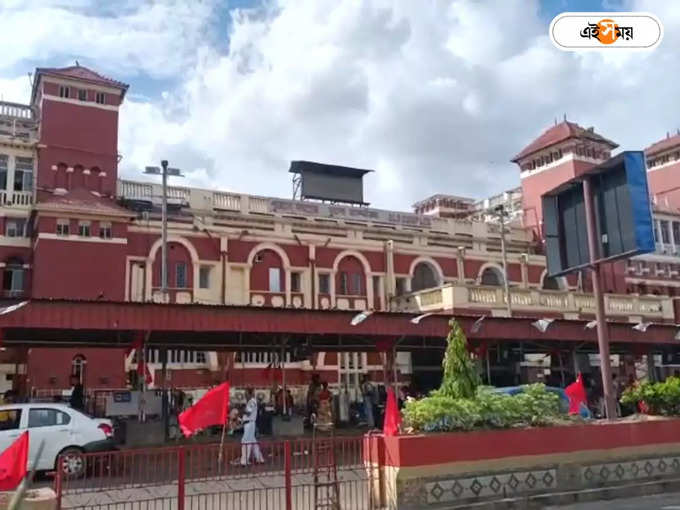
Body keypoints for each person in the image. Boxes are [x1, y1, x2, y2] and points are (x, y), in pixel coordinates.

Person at [240, 388, 264, 466]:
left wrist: (240, 409)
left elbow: (248, 413)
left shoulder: (251, 402)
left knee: (246, 441)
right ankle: (260, 459)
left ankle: (244, 461)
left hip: (249, 424)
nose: (245, 395)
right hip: (249, 424)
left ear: (249, 394)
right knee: (253, 442)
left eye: (246, 393)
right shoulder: (251, 401)